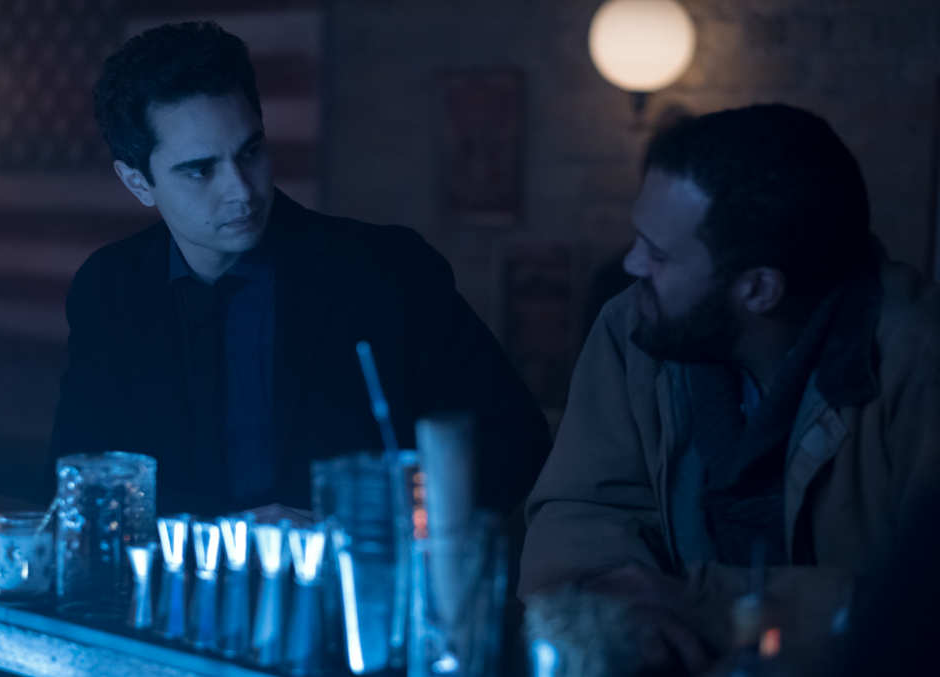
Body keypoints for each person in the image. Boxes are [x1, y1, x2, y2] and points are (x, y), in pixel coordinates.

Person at [50, 21, 551, 515]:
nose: (241, 190)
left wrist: (347, 521)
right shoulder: (108, 288)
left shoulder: (388, 270)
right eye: (200, 170)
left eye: (250, 152)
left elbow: (516, 445)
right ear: (137, 183)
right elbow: (75, 472)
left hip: (350, 567)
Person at [519, 104, 940, 672]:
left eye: (658, 254)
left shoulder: (917, 361)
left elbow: (921, 603)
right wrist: (611, 606)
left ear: (759, 289)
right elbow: (584, 507)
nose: (632, 264)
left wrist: (721, 606)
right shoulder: (634, 328)